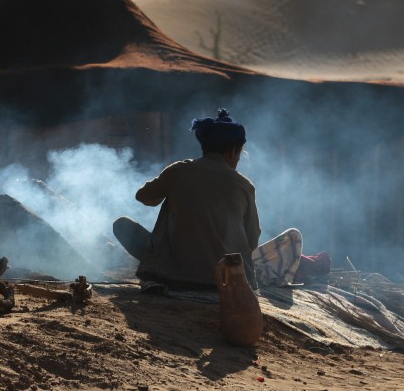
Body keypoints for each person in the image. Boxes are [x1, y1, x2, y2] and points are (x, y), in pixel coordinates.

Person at [114, 108, 329, 291]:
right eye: (239, 154)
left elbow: (143, 197)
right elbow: (252, 237)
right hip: (226, 283)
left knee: (122, 225)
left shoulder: (178, 170)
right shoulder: (244, 185)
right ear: (231, 152)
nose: (237, 159)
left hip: (169, 276)